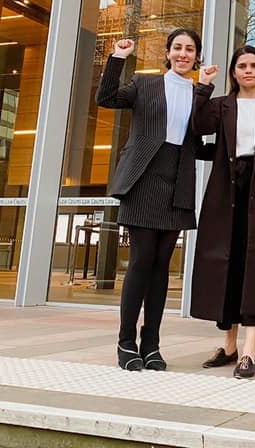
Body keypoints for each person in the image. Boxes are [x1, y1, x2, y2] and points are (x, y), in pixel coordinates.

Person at [97, 29, 202, 372]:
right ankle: (126, 343)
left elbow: (199, 144)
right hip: (144, 177)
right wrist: (118, 58)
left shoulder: (200, 94)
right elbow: (106, 97)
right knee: (142, 261)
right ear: (168, 53)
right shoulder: (145, 84)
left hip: (178, 180)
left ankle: (152, 344)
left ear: (196, 56)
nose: (183, 54)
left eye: (190, 49)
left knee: (161, 267)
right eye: (177, 48)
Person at [191, 46, 255, 379]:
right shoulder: (221, 105)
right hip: (226, 188)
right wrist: (204, 86)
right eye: (242, 66)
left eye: (254, 66)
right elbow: (197, 126)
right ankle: (230, 344)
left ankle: (250, 348)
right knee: (228, 261)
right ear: (234, 72)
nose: (248, 71)